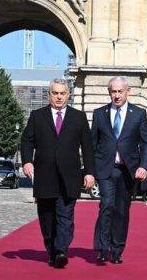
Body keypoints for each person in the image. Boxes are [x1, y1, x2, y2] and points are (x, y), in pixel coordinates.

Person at [20, 79, 95, 269]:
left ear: (68, 95)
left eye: (63, 93)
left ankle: (61, 250)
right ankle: (51, 249)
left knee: (65, 216)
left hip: (69, 176)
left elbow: (87, 148)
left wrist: (89, 173)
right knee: (47, 217)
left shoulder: (79, 117)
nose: (59, 97)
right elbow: (27, 142)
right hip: (45, 176)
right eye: (55, 93)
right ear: (49, 95)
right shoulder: (37, 116)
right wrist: (27, 161)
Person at [90, 76, 147, 264]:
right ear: (109, 93)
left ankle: (116, 249)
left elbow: (145, 144)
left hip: (127, 170)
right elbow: (93, 143)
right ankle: (101, 247)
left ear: (127, 91)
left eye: (120, 91)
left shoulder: (138, 114)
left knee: (121, 210)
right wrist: (89, 170)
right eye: (113, 92)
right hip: (105, 169)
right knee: (106, 205)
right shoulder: (99, 113)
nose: (117, 95)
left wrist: (143, 166)